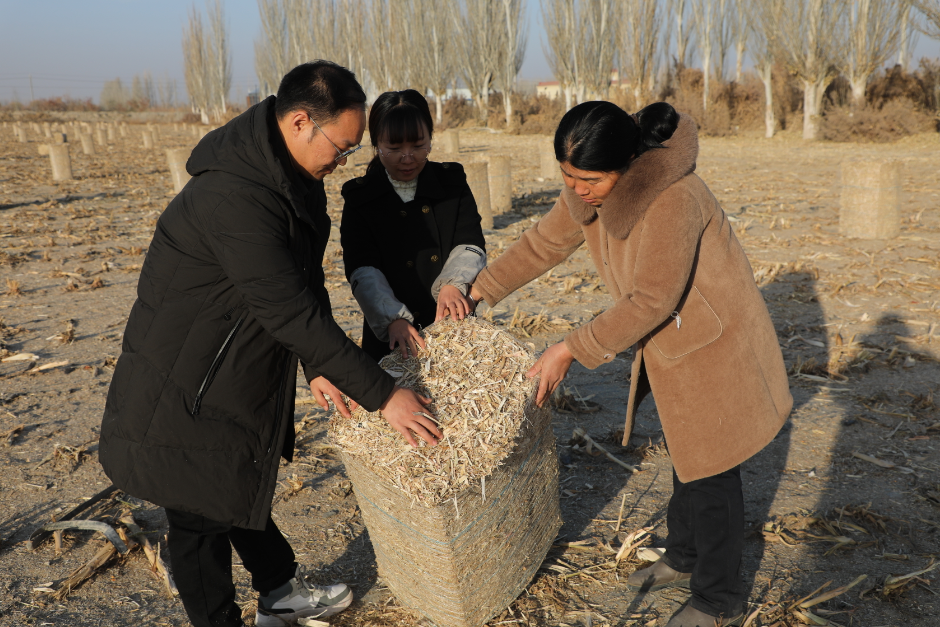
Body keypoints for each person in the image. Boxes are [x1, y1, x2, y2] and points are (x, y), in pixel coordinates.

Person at [98, 61, 442, 627]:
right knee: (199, 518)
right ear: (301, 121)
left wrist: (317, 366)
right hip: (186, 378)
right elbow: (288, 309)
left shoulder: (291, 178)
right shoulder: (236, 196)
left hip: (227, 363)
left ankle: (278, 592)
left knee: (233, 482)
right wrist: (385, 396)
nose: (344, 160)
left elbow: (303, 285)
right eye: (343, 146)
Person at [467, 102, 792, 627]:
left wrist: (567, 349)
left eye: (588, 179)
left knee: (711, 471)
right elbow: (545, 241)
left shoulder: (673, 197)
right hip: (673, 344)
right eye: (567, 177)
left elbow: (652, 300)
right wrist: (482, 288)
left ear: (628, 165)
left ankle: (719, 597)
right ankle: (684, 556)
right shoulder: (588, 189)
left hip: (715, 344)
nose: (577, 189)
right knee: (687, 454)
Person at [340, 89, 486, 360]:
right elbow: (362, 268)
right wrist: (391, 319)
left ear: (430, 138)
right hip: (390, 337)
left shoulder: (452, 183)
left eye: (418, 146)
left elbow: (470, 242)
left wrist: (453, 285)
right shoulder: (361, 197)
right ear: (376, 144)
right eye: (394, 149)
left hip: (451, 325)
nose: (407, 158)